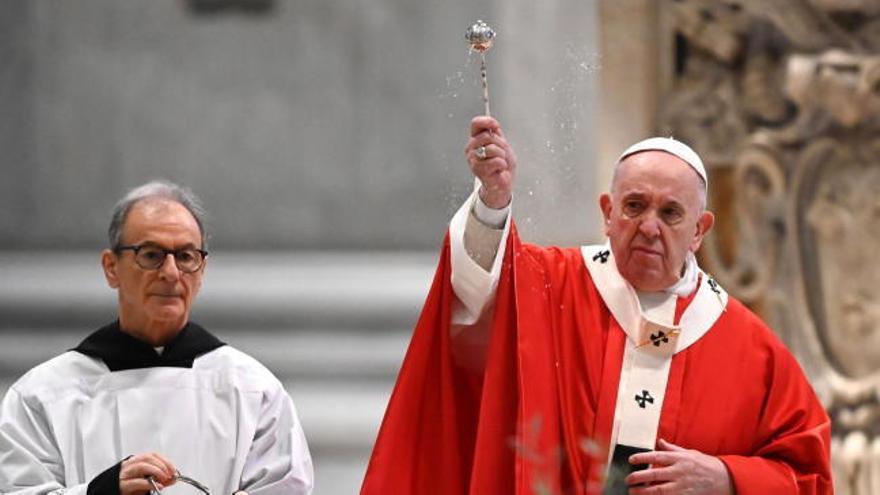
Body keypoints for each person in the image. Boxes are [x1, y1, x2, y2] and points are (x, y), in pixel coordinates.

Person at [362, 117, 832, 494]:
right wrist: (493, 202)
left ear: (700, 230)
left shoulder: (750, 348)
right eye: (634, 206)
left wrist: (726, 479)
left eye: (670, 213)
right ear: (608, 213)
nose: (649, 227)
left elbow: (808, 474)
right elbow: (474, 293)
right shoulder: (551, 287)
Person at [0, 181, 313, 495]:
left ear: (202, 271)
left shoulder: (254, 390)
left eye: (186, 256)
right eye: (151, 255)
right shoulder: (42, 395)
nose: (171, 273)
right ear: (111, 267)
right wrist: (102, 492)